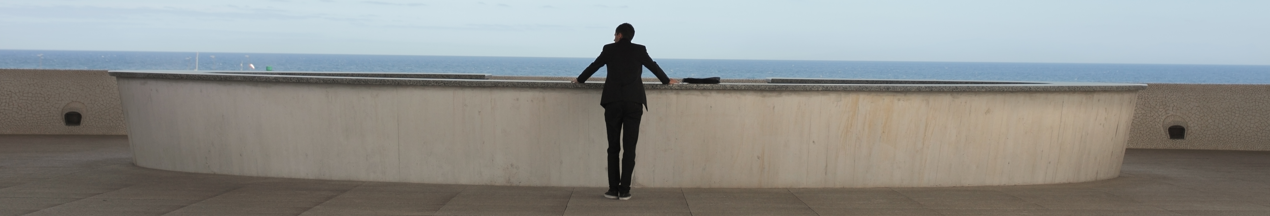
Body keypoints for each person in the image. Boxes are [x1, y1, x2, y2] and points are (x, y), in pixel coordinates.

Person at [571, 23, 678, 201]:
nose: (614, 37)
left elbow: (594, 66)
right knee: (630, 148)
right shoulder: (639, 50)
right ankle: (625, 190)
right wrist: (666, 80)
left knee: (613, 147)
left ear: (620, 34)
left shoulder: (609, 49)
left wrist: (579, 80)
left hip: (613, 102)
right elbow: (653, 67)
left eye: (615, 34)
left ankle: (613, 190)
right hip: (633, 102)